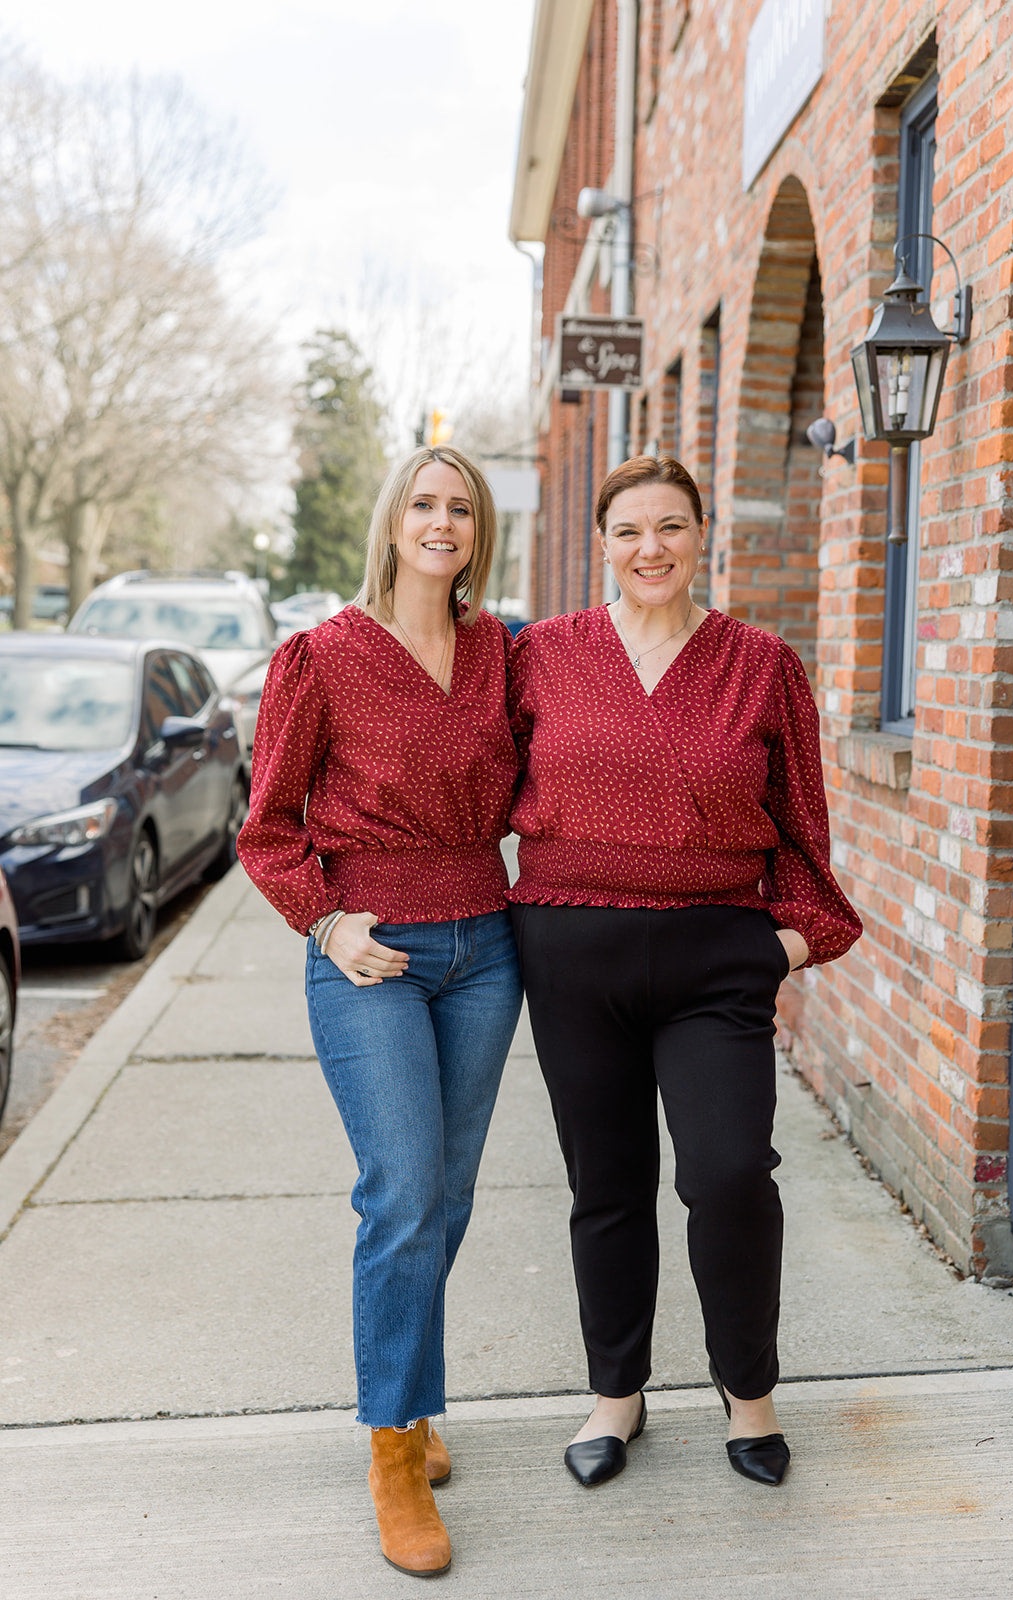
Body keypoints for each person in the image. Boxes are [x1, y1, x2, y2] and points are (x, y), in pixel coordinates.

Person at [507, 454, 861, 1490]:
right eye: (627, 530)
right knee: (604, 1184)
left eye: (669, 526)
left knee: (727, 1175)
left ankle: (745, 1394)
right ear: (602, 542)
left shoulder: (760, 663)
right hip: (572, 951)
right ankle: (614, 1394)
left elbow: (802, 830)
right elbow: (462, 781)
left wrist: (782, 945)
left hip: (716, 957)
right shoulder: (542, 656)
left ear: (699, 535)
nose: (648, 548)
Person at [237, 446, 522, 1576]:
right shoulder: (320, 657)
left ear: (476, 529)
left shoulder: (502, 650)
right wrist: (325, 921)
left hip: (487, 949)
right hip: (369, 952)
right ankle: (392, 1442)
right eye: (423, 503)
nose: (441, 521)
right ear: (391, 520)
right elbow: (267, 826)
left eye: (460, 507)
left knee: (444, 1198)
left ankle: (408, 1388)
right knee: (400, 1190)